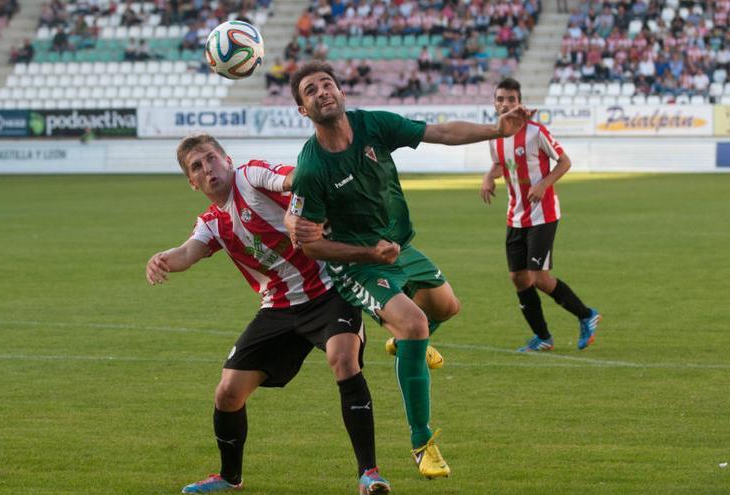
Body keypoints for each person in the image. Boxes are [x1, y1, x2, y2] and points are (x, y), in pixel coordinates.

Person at [285, 61, 532, 479]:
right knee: (415, 324)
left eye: (328, 84)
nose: (322, 91)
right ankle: (422, 442)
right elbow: (310, 245)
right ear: (303, 110)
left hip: (400, 246)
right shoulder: (312, 168)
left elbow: (441, 133)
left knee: (448, 307)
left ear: (342, 93)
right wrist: (367, 255)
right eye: (311, 90)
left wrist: (497, 130)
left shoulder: (374, 125)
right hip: (356, 266)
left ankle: (406, 349)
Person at [146, 134, 393, 495]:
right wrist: (162, 259)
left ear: (226, 159)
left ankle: (369, 473)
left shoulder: (250, 176)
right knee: (227, 393)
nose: (208, 169)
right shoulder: (212, 222)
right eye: (197, 167)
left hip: (328, 292)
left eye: (211, 159)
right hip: (277, 308)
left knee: (343, 358)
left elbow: (292, 178)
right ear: (192, 182)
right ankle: (230, 477)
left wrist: (314, 174)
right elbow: (187, 252)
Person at [480, 78, 601, 352]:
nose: (505, 104)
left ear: (519, 103)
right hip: (516, 215)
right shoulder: (495, 137)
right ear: (494, 103)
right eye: (500, 99)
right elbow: (501, 164)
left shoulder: (535, 132)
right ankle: (543, 337)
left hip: (542, 214)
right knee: (518, 278)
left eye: (511, 99)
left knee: (537, 277)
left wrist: (544, 183)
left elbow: (565, 161)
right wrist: (488, 176)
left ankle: (586, 315)